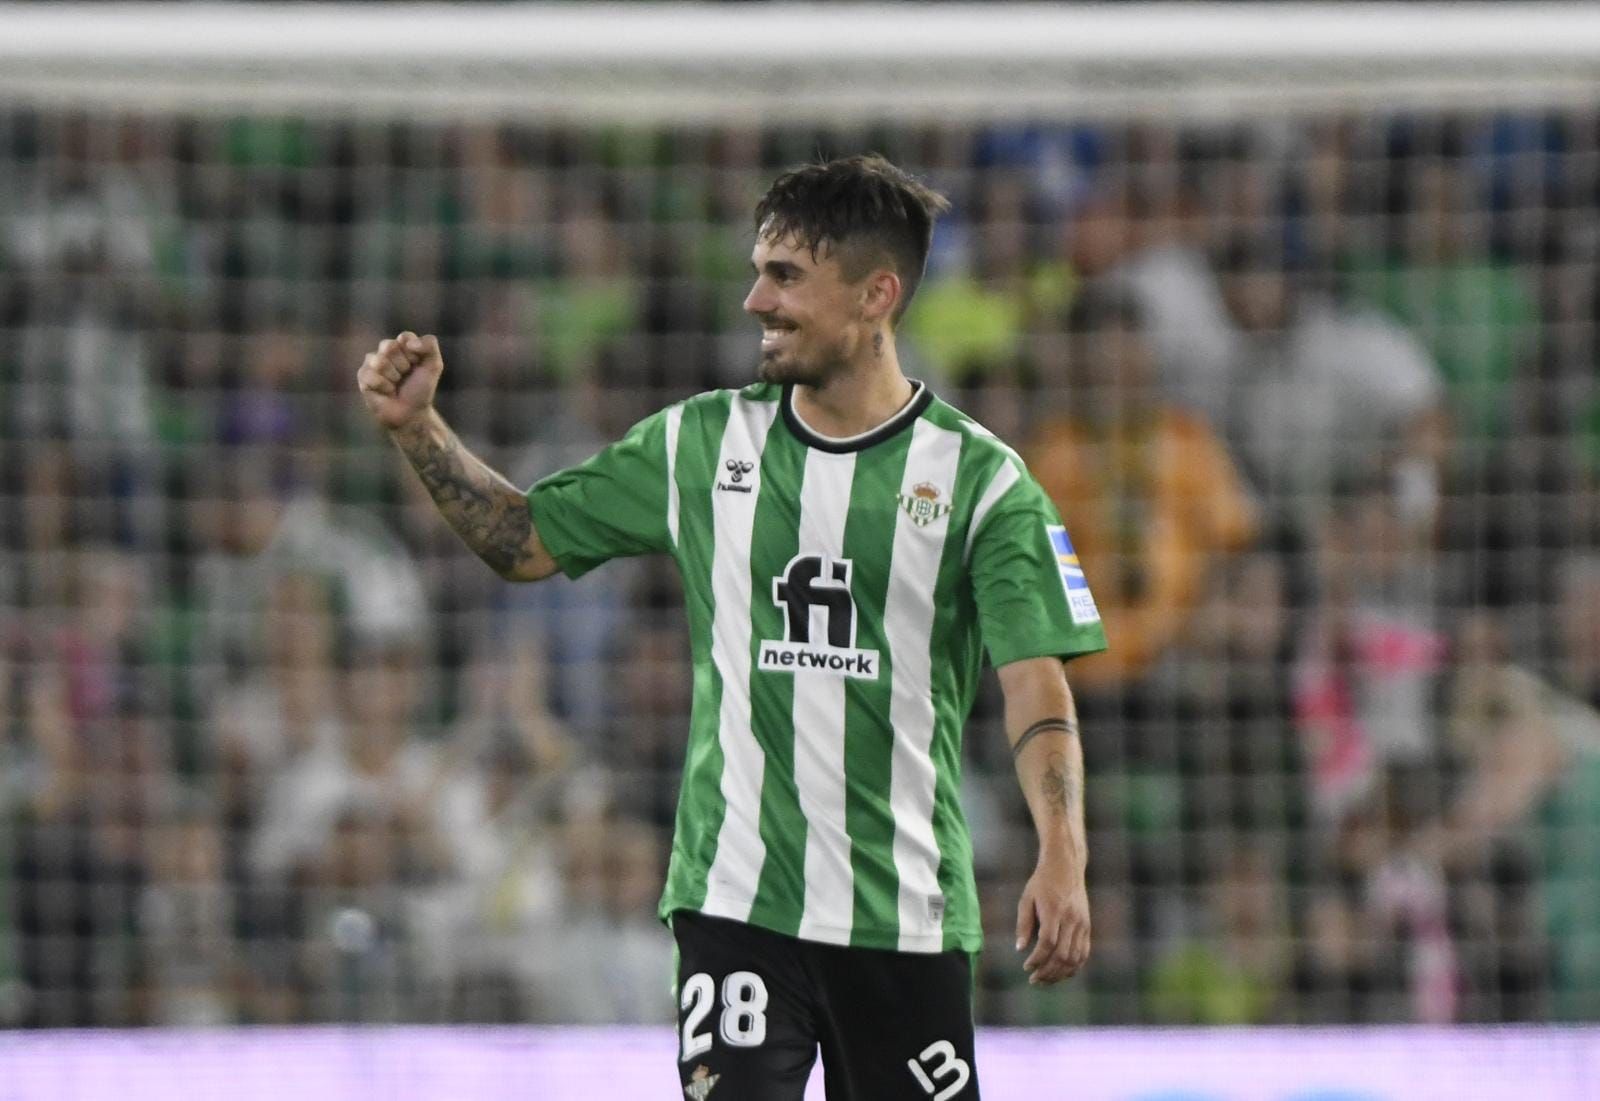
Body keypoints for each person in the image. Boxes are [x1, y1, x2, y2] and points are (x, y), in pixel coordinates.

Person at [356, 154, 1107, 1099]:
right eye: (758, 271)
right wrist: (420, 429)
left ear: (878, 295)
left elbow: (1038, 682)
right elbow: (524, 541)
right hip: (735, 903)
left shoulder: (985, 483)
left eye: (786, 276)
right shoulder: (701, 445)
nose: (755, 300)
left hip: (905, 913)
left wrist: (1063, 853)